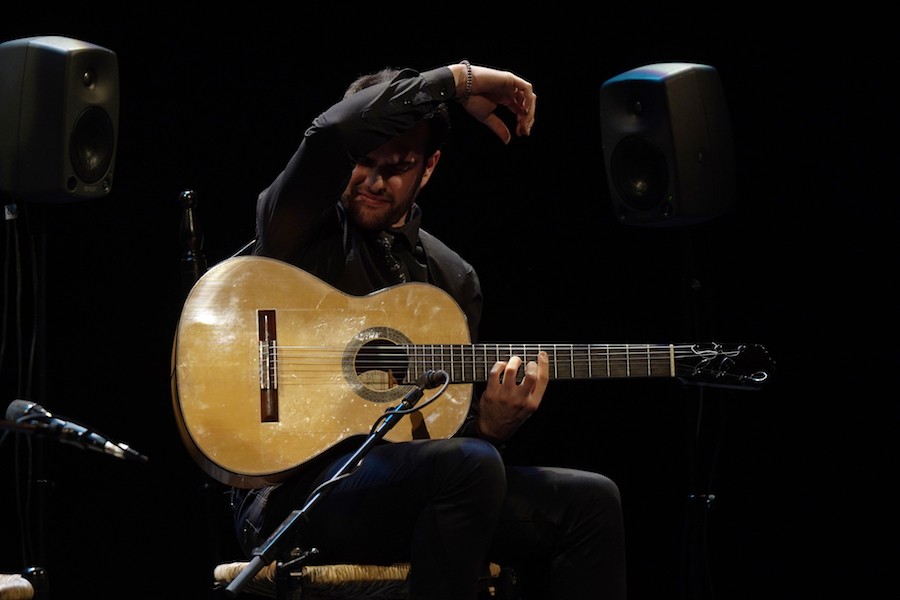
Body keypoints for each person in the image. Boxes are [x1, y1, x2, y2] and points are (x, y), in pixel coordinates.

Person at [230, 61, 626, 600]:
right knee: (471, 466)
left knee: (590, 501)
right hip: (295, 493)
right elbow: (331, 132)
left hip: (403, 493)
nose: (373, 179)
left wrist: (489, 425)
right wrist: (458, 81)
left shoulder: (452, 278)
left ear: (430, 167)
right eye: (363, 161)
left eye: (398, 165)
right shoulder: (299, 227)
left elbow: (439, 443)